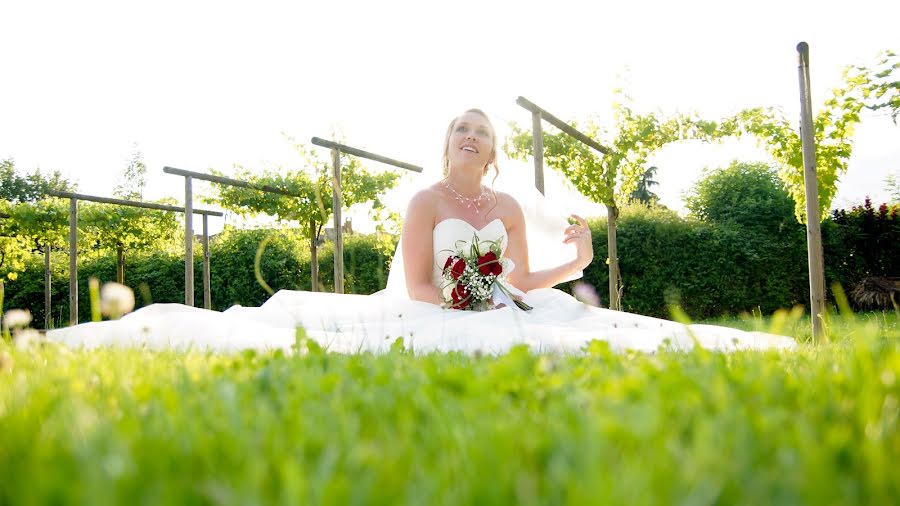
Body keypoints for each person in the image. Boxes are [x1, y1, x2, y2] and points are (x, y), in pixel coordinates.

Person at [47, 109, 796, 354]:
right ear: (446, 146)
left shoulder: (504, 211)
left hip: (494, 304)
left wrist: (580, 258)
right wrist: (468, 298)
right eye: (460, 129)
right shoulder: (425, 203)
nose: (471, 136)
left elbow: (522, 280)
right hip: (428, 309)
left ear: (495, 152)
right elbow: (413, 285)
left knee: (593, 329)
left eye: (482, 131)